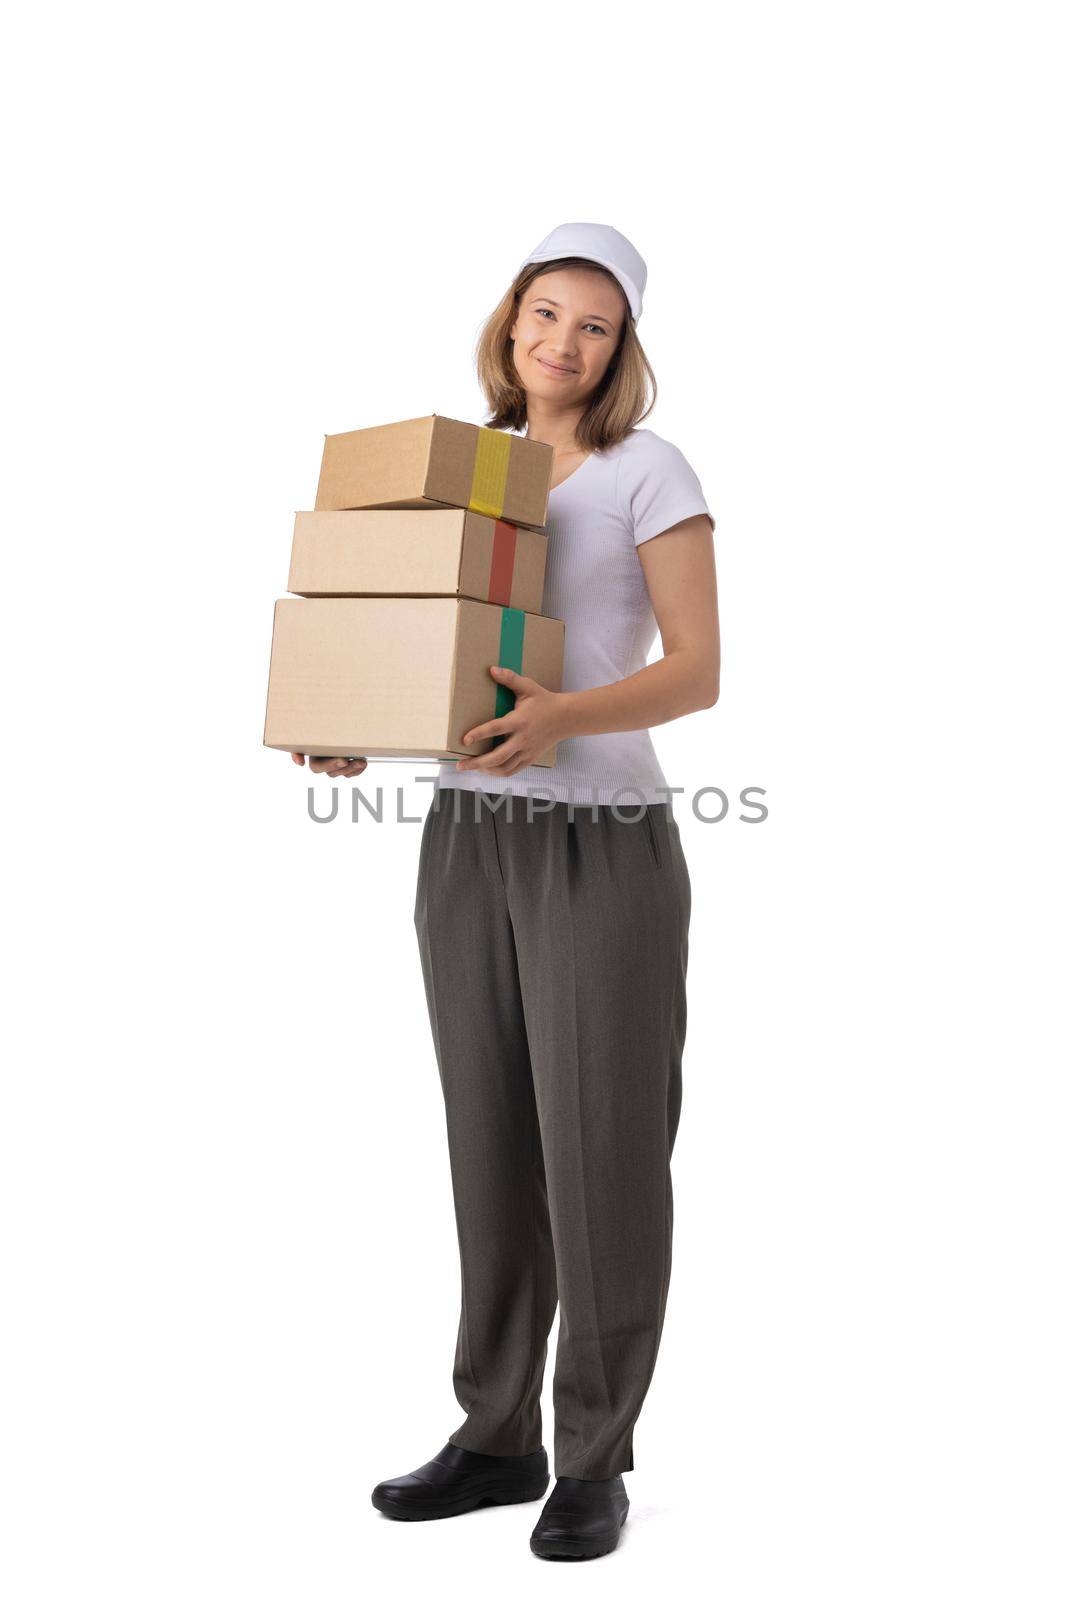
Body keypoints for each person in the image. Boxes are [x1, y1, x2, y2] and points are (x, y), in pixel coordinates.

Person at [291, 222, 720, 1560]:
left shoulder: (650, 471)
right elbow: (424, 636)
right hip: (469, 832)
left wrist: (563, 720)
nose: (564, 341)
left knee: (600, 1153)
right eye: (546, 312)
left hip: (600, 836)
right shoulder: (464, 473)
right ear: (510, 320)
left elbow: (698, 670)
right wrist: (356, 713)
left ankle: (594, 1455)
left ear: (621, 348)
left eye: (595, 324)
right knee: (491, 1145)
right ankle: (494, 1436)